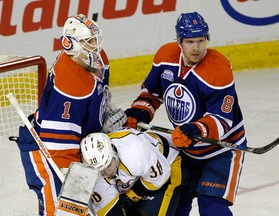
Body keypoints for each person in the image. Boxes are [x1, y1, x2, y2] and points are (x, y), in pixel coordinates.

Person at [123, 12, 246, 216]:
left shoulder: (218, 67)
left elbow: (222, 120)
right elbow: (152, 93)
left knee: (212, 207)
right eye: (190, 42)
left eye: (201, 41)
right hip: (185, 149)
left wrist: (193, 129)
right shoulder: (165, 57)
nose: (196, 48)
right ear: (179, 41)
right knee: (176, 205)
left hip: (221, 150)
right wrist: (140, 112)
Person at [16, 14, 125, 215]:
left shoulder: (96, 59)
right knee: (62, 212)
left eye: (94, 39)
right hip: (49, 153)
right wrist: (75, 192)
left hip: (75, 147)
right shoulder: (72, 85)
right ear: (70, 44)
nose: (95, 46)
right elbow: (59, 148)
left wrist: (105, 114)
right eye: (87, 42)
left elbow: (99, 94)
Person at [80, 127, 189, 215]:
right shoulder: (94, 175)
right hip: (137, 178)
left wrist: (130, 196)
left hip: (169, 165)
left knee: (145, 213)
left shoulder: (134, 153)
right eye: (100, 170)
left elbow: (159, 178)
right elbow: (108, 210)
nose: (107, 173)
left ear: (113, 152)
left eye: (108, 165)